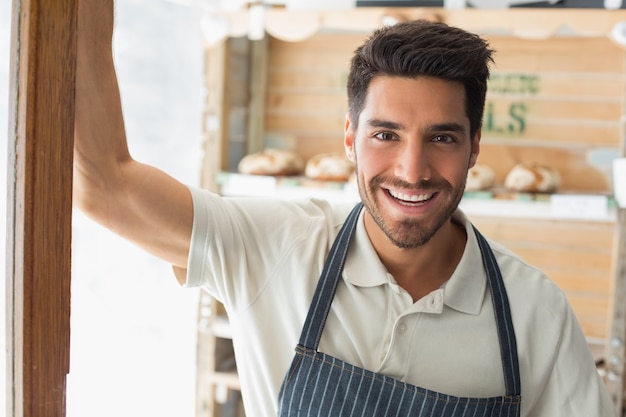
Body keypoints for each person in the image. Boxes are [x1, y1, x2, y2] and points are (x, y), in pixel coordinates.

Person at [74, 1, 615, 416]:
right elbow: (103, 184)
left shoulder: (536, 314)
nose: (412, 169)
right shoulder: (272, 248)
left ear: (475, 145)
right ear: (351, 138)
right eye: (386, 134)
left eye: (443, 138)